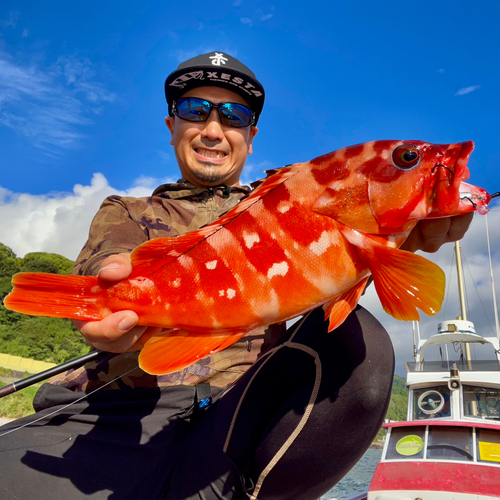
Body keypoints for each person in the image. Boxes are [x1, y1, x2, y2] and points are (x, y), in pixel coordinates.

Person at [0, 52, 473, 500]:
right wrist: (109, 287)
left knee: (362, 337)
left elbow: (342, 283)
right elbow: (110, 261)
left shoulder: (284, 198)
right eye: (194, 110)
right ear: (171, 126)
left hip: (237, 422)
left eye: (233, 116)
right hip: (118, 416)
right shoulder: (126, 210)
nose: (213, 129)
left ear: (251, 136)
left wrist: (389, 244)